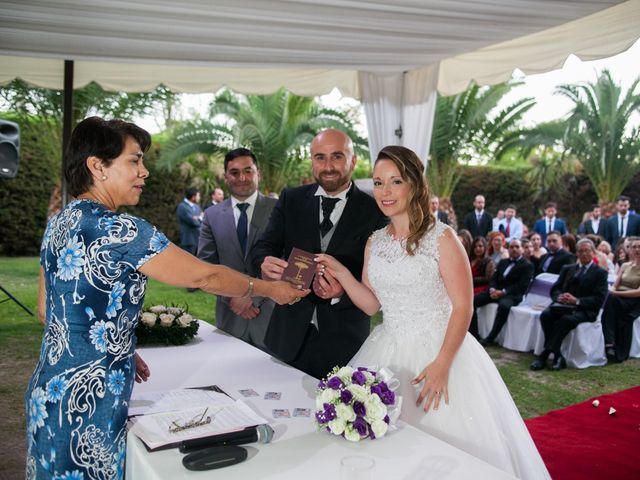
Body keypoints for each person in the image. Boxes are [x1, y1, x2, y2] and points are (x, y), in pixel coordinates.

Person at [25, 117, 306, 480]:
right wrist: (271, 290)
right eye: (134, 160)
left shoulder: (60, 222)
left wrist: (116, 345)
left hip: (49, 389)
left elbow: (48, 310)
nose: (144, 172)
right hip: (87, 403)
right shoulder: (120, 230)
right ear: (97, 166)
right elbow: (203, 274)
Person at [315, 146, 549, 479]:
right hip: (387, 349)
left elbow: (464, 306)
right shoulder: (375, 242)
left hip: (438, 352)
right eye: (378, 183)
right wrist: (341, 273)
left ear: (414, 184)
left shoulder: (443, 237)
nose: (385, 192)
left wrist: (442, 364)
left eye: (395, 181)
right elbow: (371, 303)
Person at [253, 129, 387, 379]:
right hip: (287, 338)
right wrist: (264, 264)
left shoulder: (375, 212)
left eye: (337, 156)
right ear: (312, 160)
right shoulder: (290, 200)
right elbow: (263, 247)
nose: (328, 166)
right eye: (319, 157)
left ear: (353, 160)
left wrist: (342, 293)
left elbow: (380, 283)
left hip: (345, 343)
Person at [197, 148, 277, 351]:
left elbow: (289, 262)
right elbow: (205, 265)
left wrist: (253, 296)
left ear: (258, 173)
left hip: (272, 317)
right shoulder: (211, 216)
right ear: (226, 176)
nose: (242, 177)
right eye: (234, 172)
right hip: (230, 319)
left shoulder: (279, 209)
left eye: (248, 171)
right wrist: (233, 297)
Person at [530, 239, 608, 371]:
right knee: (546, 315)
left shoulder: (600, 273)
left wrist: (576, 301)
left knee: (565, 321)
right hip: (563, 306)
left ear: (593, 253)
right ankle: (558, 355)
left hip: (585, 310)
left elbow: (599, 299)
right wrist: (559, 297)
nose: (583, 254)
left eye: (587, 251)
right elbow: (555, 288)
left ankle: (544, 355)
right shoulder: (568, 269)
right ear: (576, 253)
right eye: (580, 251)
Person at [473, 239, 534, 346]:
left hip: (512, 295)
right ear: (508, 249)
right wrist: (492, 289)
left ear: (522, 249)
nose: (514, 249)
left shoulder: (527, 265)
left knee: (504, 306)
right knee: (473, 300)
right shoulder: (503, 262)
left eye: (517, 247)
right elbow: (493, 279)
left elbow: (521, 286)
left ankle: (490, 338)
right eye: (511, 247)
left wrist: (503, 292)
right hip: (495, 292)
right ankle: (474, 334)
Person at [601, 237, 640, 363]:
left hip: (634, 300)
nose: (637, 250)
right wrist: (613, 290)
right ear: (629, 250)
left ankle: (610, 344)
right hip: (617, 297)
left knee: (611, 299)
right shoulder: (624, 265)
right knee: (610, 298)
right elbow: (615, 284)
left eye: (639, 247)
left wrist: (615, 293)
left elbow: (639, 292)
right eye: (634, 247)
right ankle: (610, 343)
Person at [176, 187, 203, 255]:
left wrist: (197, 218)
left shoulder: (197, 207)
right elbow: (193, 222)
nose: (199, 198)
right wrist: (200, 218)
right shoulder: (182, 207)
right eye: (198, 196)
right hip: (188, 241)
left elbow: (203, 220)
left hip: (198, 240)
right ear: (193, 197)